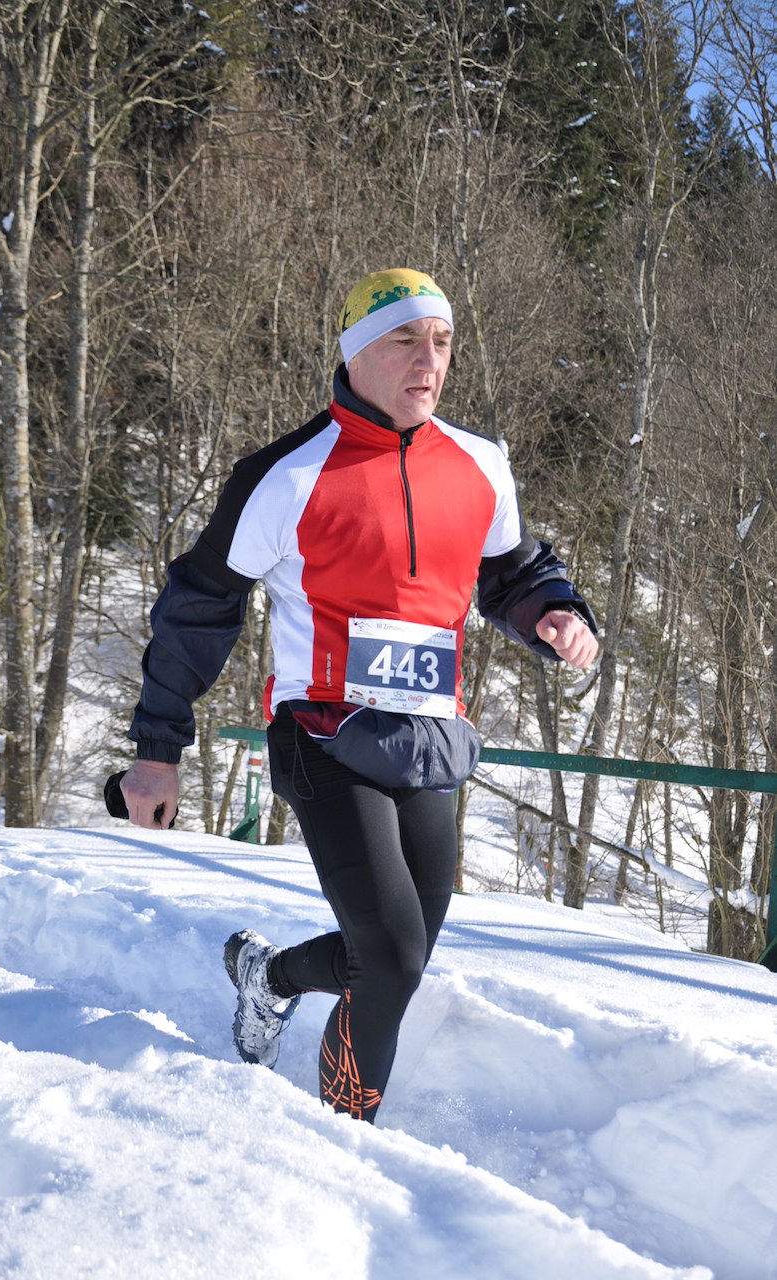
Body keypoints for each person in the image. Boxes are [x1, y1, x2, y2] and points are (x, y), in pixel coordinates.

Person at [117, 268, 599, 1124]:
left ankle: (270, 978)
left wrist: (552, 611)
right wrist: (158, 750)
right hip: (323, 733)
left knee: (400, 959)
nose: (429, 360)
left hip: (430, 738)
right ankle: (346, 1137)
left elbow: (511, 571)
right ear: (356, 353)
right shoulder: (286, 475)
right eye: (405, 340)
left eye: (441, 342)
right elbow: (200, 605)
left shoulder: (481, 465)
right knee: (390, 954)